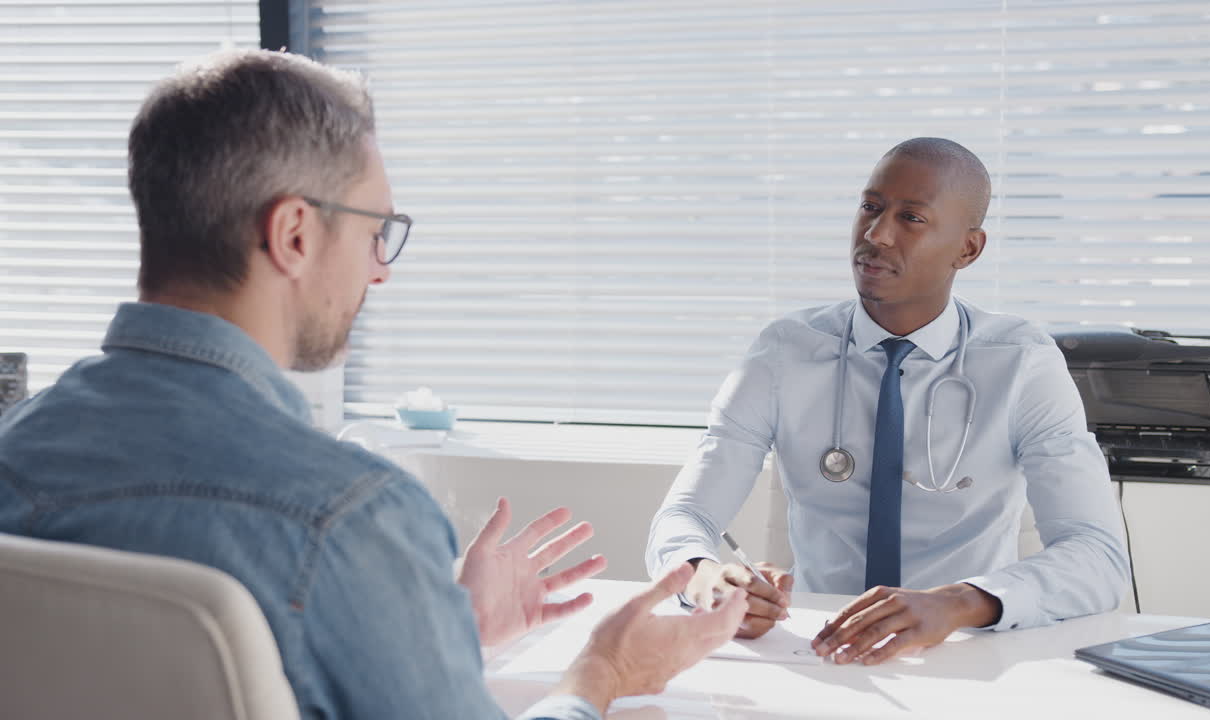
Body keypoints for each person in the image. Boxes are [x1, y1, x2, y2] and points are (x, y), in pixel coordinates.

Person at [0, 49, 747, 720]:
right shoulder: (350, 516)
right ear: (293, 234)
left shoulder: (16, 449)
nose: (381, 270)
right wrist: (603, 674)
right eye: (373, 232)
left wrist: (431, 631)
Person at [646, 137, 1129, 666]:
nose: (875, 235)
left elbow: (1098, 557)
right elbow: (685, 515)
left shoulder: (1022, 364)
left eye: (911, 219)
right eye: (870, 208)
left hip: (965, 653)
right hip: (812, 647)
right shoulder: (784, 352)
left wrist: (960, 602)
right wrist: (704, 578)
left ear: (967, 249)